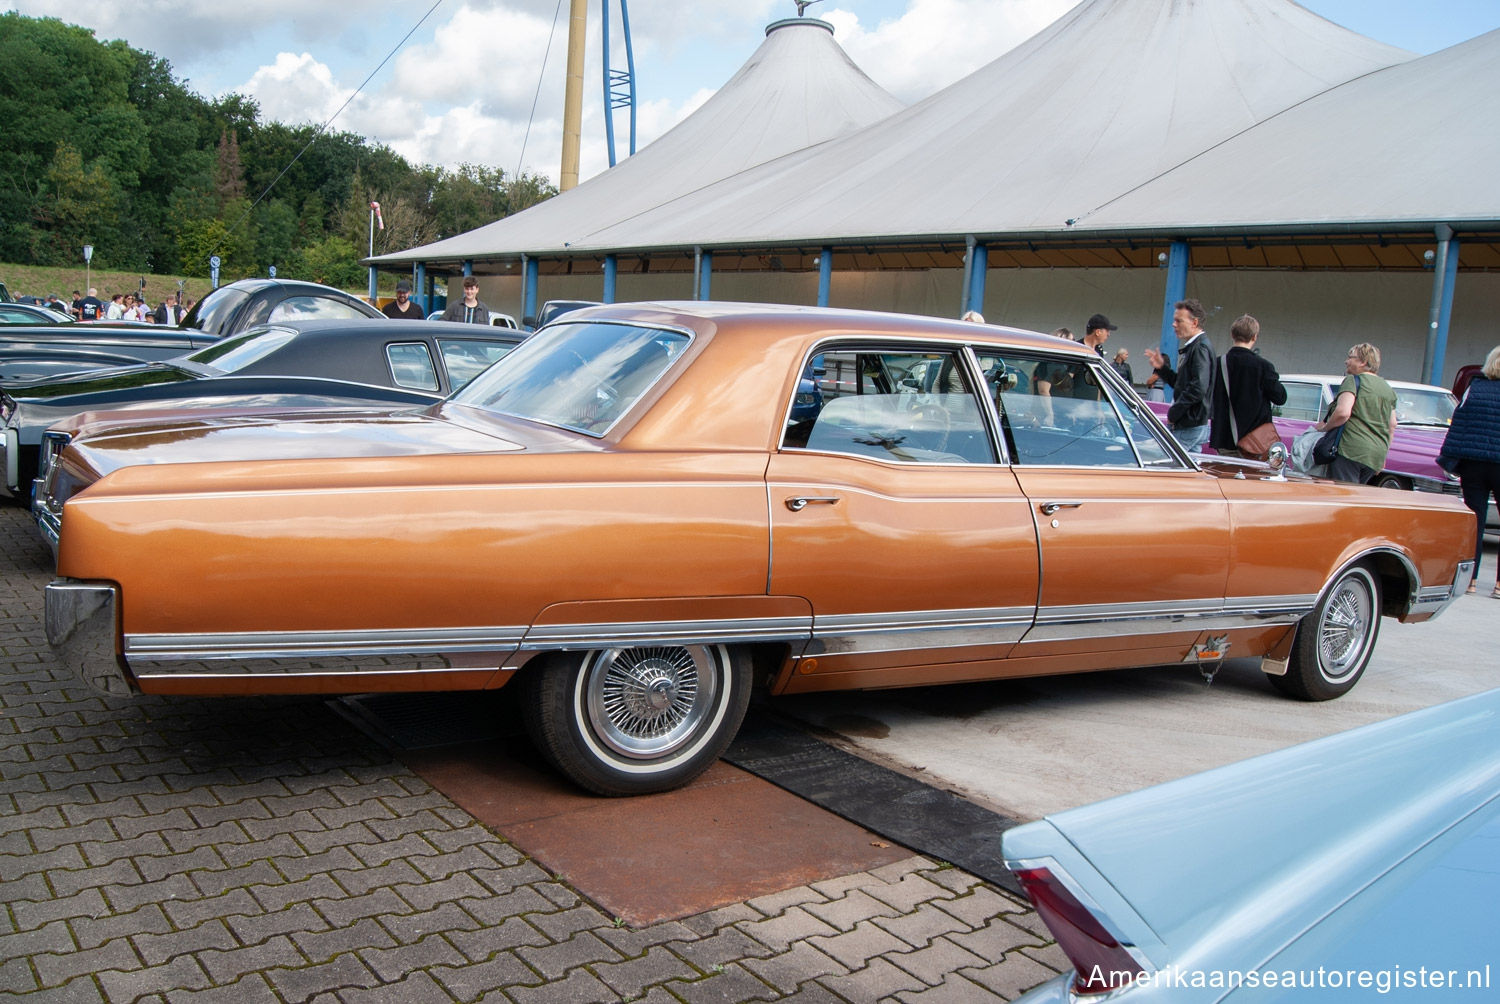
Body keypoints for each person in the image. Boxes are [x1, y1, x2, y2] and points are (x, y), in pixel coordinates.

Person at [1438, 345, 1500, 596]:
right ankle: (1498, 585)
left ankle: (1471, 580)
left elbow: (1459, 424)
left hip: (1473, 464)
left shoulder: (1474, 388)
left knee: (1475, 520)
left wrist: (1450, 458)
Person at [1313, 342, 1396, 484]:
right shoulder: (1388, 389)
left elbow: (1343, 412)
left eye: (1351, 357)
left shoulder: (1353, 381)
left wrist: (1324, 428)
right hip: (1375, 455)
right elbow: (1392, 424)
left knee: (1342, 495)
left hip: (1350, 450)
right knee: (1356, 495)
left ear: (1363, 362)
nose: (1346, 361)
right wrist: (1382, 457)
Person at [1209, 314, 1286, 458]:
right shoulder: (1263, 366)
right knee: (1252, 478)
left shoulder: (1218, 364)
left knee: (1225, 477)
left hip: (1225, 438)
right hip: (1256, 441)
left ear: (1232, 335)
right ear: (1254, 337)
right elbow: (1280, 398)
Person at [1144, 298, 1214, 451]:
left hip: (1188, 425)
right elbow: (1182, 384)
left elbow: (1198, 387)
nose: (1174, 324)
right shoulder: (1196, 347)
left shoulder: (1199, 348)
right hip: (1193, 423)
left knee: (1163, 462)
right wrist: (1162, 369)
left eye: (1179, 321)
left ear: (1194, 323)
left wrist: (1175, 412)